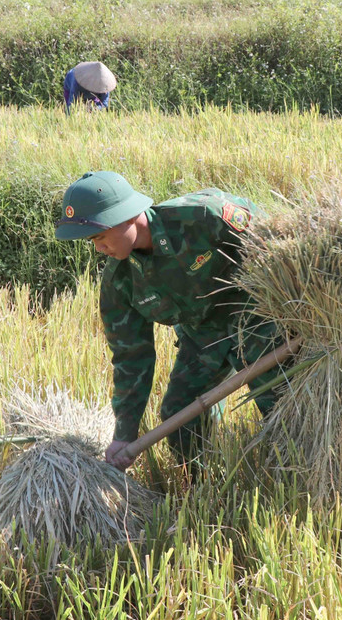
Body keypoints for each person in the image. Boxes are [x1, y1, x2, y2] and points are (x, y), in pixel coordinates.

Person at [54, 171, 288, 471]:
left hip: (258, 324)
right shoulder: (120, 282)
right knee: (179, 416)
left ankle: (297, 483)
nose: (99, 248)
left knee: (282, 406)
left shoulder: (203, 216)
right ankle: (203, 488)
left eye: (99, 236)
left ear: (126, 217)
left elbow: (280, 245)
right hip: (203, 337)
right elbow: (131, 357)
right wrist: (124, 435)